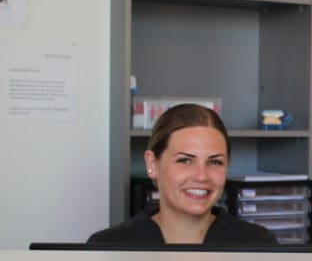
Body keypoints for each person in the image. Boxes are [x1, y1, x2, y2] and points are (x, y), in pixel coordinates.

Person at [88, 104, 278, 246]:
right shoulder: (109, 246)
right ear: (152, 164)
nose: (201, 176)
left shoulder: (258, 244)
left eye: (215, 162)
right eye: (185, 160)